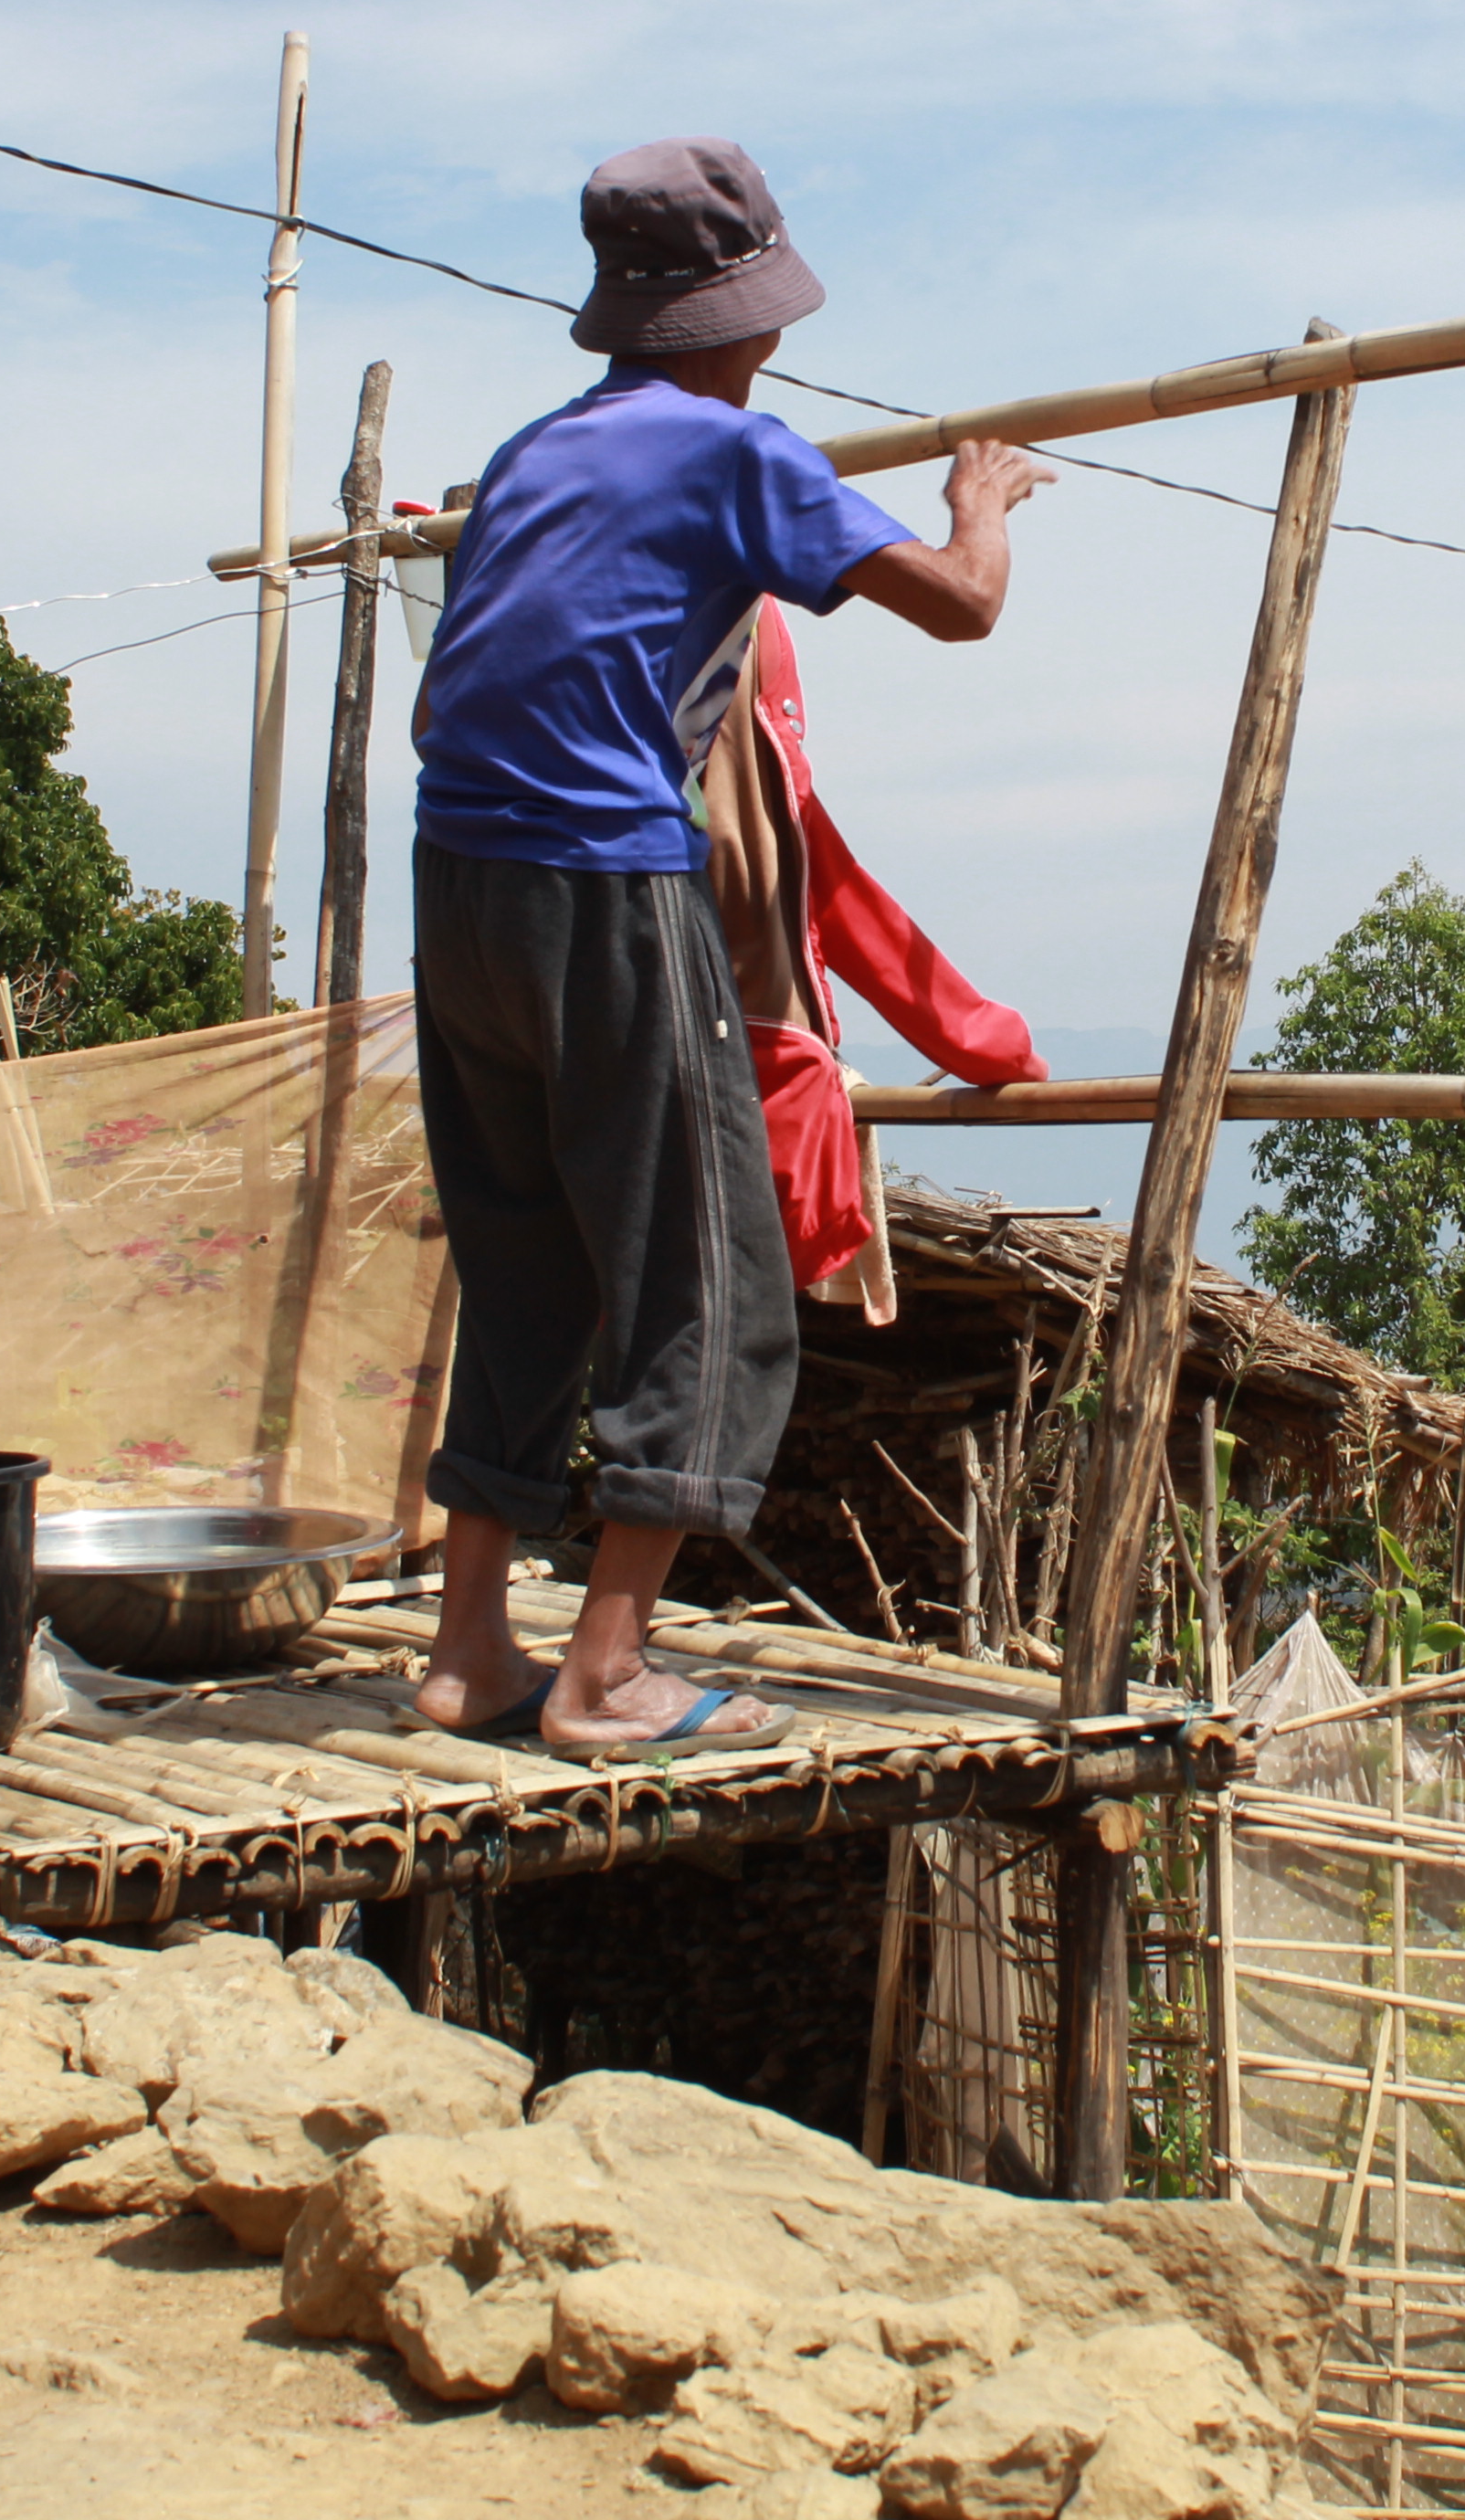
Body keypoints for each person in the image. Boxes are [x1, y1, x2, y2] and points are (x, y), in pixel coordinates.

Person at [406, 136, 1047, 1754]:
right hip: (597, 886)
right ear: (743, 318)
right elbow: (963, 606)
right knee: (710, 1268)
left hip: (456, 882)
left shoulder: (531, 456)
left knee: (521, 1256)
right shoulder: (733, 453)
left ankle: (467, 1647)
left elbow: (447, 693)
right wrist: (977, 500)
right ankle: (605, 1670)